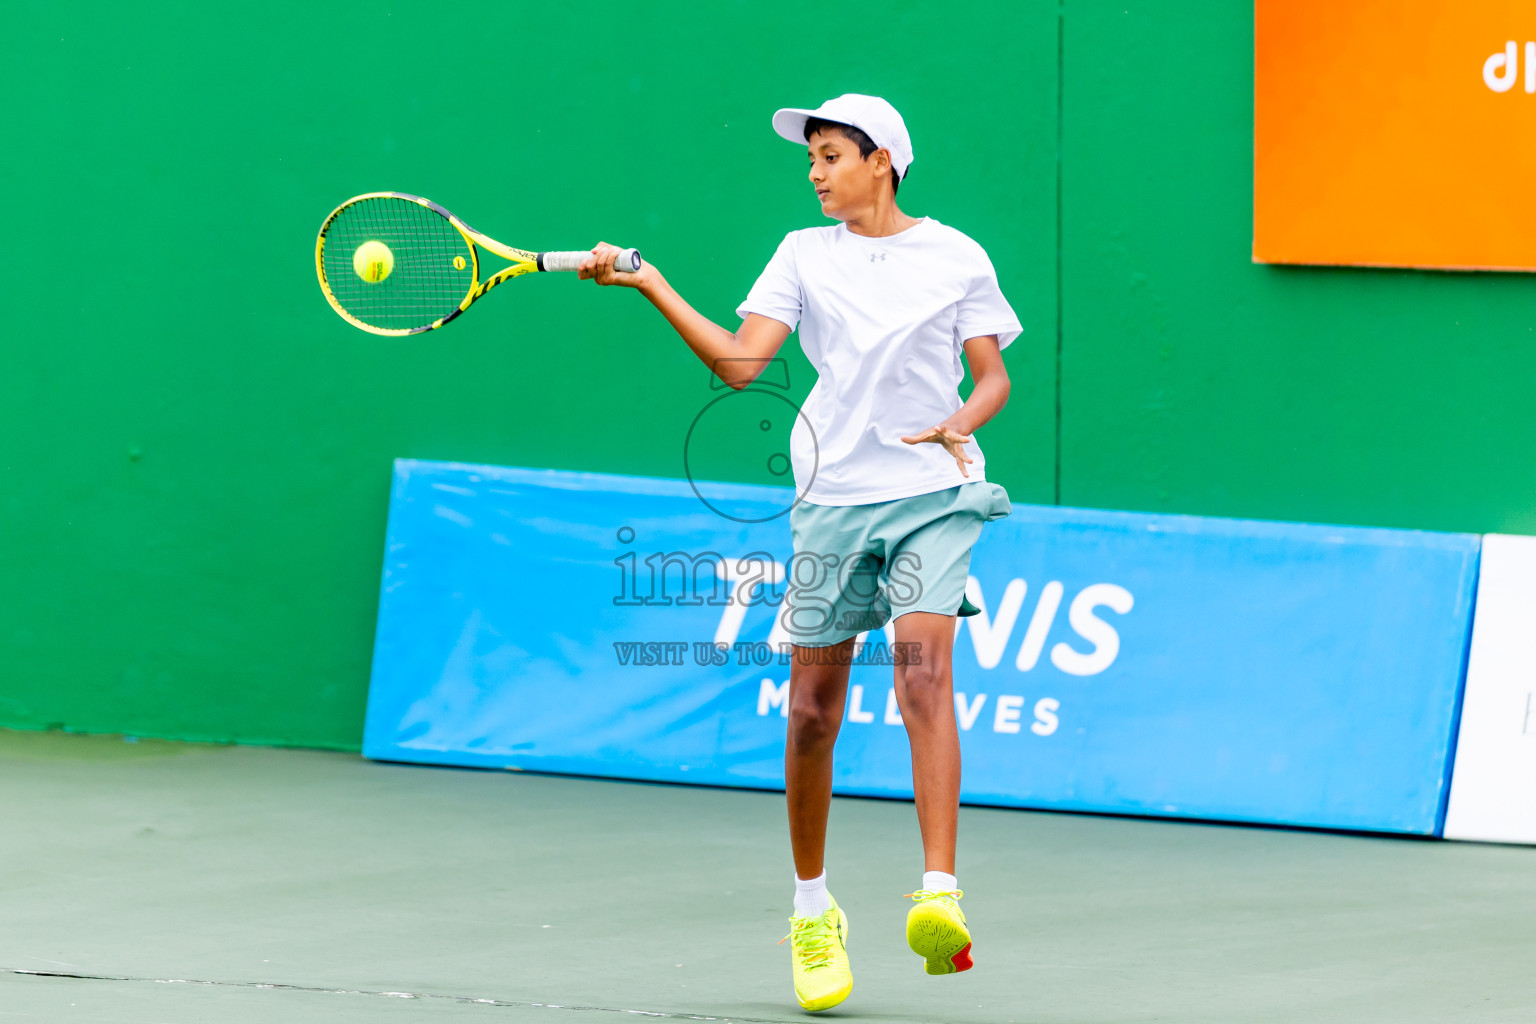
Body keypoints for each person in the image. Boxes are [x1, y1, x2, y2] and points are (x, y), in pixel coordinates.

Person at [579, 93, 1019, 1013]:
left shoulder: (956, 255)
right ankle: (812, 910)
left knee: (924, 676)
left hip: (934, 494)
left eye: (829, 155)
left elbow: (993, 376)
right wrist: (651, 282)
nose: (816, 173)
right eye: (810, 159)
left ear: (882, 160)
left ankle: (939, 894)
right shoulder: (802, 255)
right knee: (813, 712)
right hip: (830, 501)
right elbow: (741, 366)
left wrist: (962, 421)